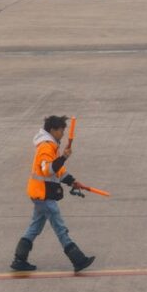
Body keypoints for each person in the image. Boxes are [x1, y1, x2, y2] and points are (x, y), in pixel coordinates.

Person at [11, 115, 95, 272]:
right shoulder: (46, 147)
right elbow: (48, 169)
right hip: (44, 194)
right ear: (53, 130)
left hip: (39, 193)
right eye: (61, 130)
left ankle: (19, 259)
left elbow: (57, 171)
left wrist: (71, 180)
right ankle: (78, 260)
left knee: (35, 226)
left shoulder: (50, 145)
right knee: (60, 227)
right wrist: (63, 157)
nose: (63, 134)